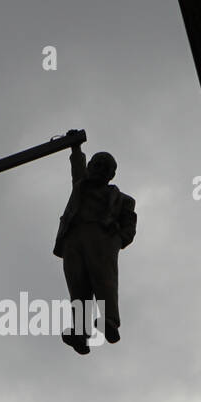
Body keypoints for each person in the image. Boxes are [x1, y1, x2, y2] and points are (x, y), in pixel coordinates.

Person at [53, 143, 137, 354]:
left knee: (104, 281)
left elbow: (129, 227)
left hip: (100, 238)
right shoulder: (80, 186)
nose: (99, 168)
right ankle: (80, 333)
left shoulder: (123, 200)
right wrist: (75, 148)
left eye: (105, 166)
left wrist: (116, 239)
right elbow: (77, 166)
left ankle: (110, 321)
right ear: (90, 166)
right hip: (73, 238)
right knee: (78, 286)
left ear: (111, 175)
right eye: (96, 164)